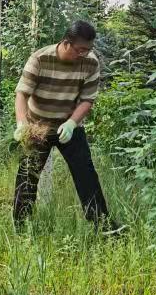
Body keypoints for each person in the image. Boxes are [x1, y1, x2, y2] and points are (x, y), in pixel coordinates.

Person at [12, 20, 115, 229]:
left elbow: (87, 100)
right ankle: (21, 225)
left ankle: (102, 225)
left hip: (69, 126)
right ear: (66, 43)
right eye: (80, 50)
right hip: (37, 126)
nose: (84, 54)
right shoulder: (40, 59)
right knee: (28, 175)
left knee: (86, 174)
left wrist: (71, 123)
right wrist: (22, 124)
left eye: (88, 49)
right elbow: (22, 94)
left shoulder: (91, 62)